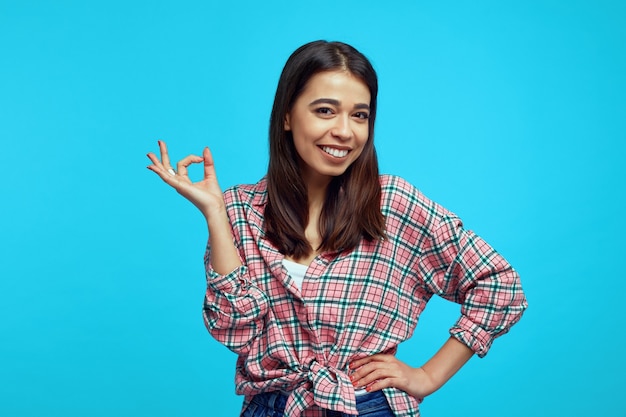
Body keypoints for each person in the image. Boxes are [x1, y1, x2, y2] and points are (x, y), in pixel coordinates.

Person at [146, 40, 527, 417]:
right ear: (287, 116)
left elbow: (498, 286)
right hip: (274, 408)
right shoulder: (239, 210)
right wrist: (215, 213)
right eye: (325, 110)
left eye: (359, 115)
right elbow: (235, 331)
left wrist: (427, 376)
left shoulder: (392, 203)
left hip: (367, 407)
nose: (345, 131)